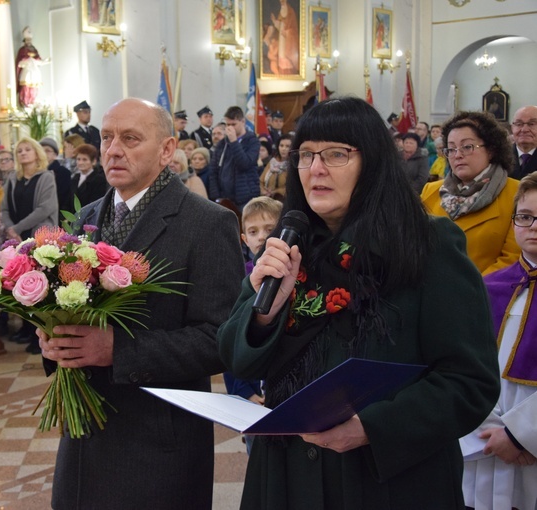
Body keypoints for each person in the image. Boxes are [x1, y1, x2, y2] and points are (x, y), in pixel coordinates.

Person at [217, 97, 500, 509]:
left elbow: (470, 381)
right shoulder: (286, 246)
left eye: (336, 154)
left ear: (374, 163)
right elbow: (236, 358)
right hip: (286, 474)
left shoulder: (427, 245)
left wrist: (371, 427)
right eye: (307, 155)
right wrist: (265, 311)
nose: (316, 169)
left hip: (383, 479)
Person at [37, 97, 245, 509]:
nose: (113, 149)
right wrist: (53, 336)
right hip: (84, 441)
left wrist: (117, 349)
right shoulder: (87, 218)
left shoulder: (206, 224)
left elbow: (221, 340)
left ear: (167, 150)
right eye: (107, 137)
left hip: (157, 443)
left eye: (130, 139)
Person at [461, 173, 537, 510]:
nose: (533, 226)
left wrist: (521, 434)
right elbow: (462, 363)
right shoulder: (488, 286)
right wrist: (489, 425)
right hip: (482, 435)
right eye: (524, 217)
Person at [421, 110, 520, 275]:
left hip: (488, 294)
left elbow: (513, 258)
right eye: (451, 149)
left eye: (467, 147)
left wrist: (469, 291)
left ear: (491, 149)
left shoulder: (516, 193)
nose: (457, 155)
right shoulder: (430, 191)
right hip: (431, 291)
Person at [224, 196, 283, 454]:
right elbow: (231, 342)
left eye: (270, 229)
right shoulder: (241, 282)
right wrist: (243, 394)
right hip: (252, 398)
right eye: (253, 231)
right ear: (244, 239)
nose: (261, 237)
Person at [1, 137, 58, 353]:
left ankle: (40, 335)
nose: (23, 153)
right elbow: (4, 208)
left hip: (38, 236)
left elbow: (45, 208)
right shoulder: (12, 179)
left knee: (40, 284)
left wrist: (18, 228)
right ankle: (26, 328)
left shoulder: (46, 177)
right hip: (16, 238)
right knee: (21, 282)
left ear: (37, 154)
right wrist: (11, 229)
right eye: (19, 150)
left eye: (27, 150)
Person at [208, 105, 261, 210]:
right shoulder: (222, 144)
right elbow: (213, 171)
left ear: (243, 122)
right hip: (224, 198)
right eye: (228, 124)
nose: (230, 128)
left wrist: (234, 141)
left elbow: (244, 164)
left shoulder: (252, 141)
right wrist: (216, 196)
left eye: (234, 124)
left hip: (245, 198)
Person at [15, 26, 50, 107]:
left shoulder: (34, 50)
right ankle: (25, 104)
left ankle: (32, 103)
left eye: (30, 40)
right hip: (27, 72)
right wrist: (26, 61)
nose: (29, 42)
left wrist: (45, 61)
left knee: (34, 90)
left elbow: (38, 61)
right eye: (27, 40)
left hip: (34, 73)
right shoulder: (22, 50)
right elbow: (19, 62)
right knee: (25, 89)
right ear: (25, 41)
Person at [39, 137, 73, 213]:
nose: (43, 153)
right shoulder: (36, 172)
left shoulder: (62, 172)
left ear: (55, 155)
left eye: (47, 151)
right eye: (41, 151)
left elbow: (64, 199)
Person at [260, 133, 292, 201]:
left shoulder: (293, 165)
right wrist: (263, 190)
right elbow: (261, 181)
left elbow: (292, 188)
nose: (283, 149)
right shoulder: (272, 162)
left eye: (287, 146)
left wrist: (276, 191)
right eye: (281, 145)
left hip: (285, 201)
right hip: (268, 200)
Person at [510, 105, 537, 180]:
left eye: (532, 124)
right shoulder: (499, 156)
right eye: (519, 124)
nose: (524, 130)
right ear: (512, 128)